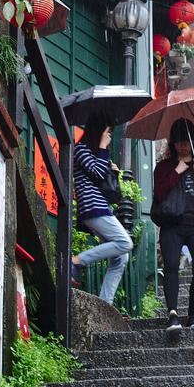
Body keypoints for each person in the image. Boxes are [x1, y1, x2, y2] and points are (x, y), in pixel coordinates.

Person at [153, 118, 194, 334]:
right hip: (172, 224)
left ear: (193, 141)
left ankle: (193, 314)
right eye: (178, 141)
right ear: (172, 143)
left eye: (186, 141)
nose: (183, 145)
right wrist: (176, 172)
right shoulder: (163, 167)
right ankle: (172, 314)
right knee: (171, 265)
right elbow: (160, 194)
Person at [71, 114, 133, 306]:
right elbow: (97, 173)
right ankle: (77, 260)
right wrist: (103, 149)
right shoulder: (81, 149)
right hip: (92, 206)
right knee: (125, 243)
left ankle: (105, 304)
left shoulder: (96, 153)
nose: (109, 136)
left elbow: (110, 190)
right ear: (98, 131)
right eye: (108, 132)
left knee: (120, 257)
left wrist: (113, 172)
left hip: (101, 207)